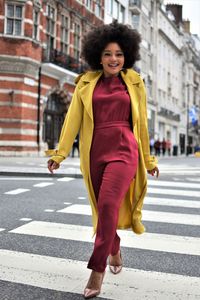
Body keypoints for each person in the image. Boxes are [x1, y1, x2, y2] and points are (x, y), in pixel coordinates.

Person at [46, 21, 159, 299]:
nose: (113, 59)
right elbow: (72, 120)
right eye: (108, 54)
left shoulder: (134, 82)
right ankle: (115, 247)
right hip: (95, 151)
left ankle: (97, 270)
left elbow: (142, 127)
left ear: (127, 56)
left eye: (119, 54)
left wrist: (149, 159)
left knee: (109, 203)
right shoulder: (86, 82)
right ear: (99, 55)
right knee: (103, 210)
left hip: (124, 149)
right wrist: (60, 153)